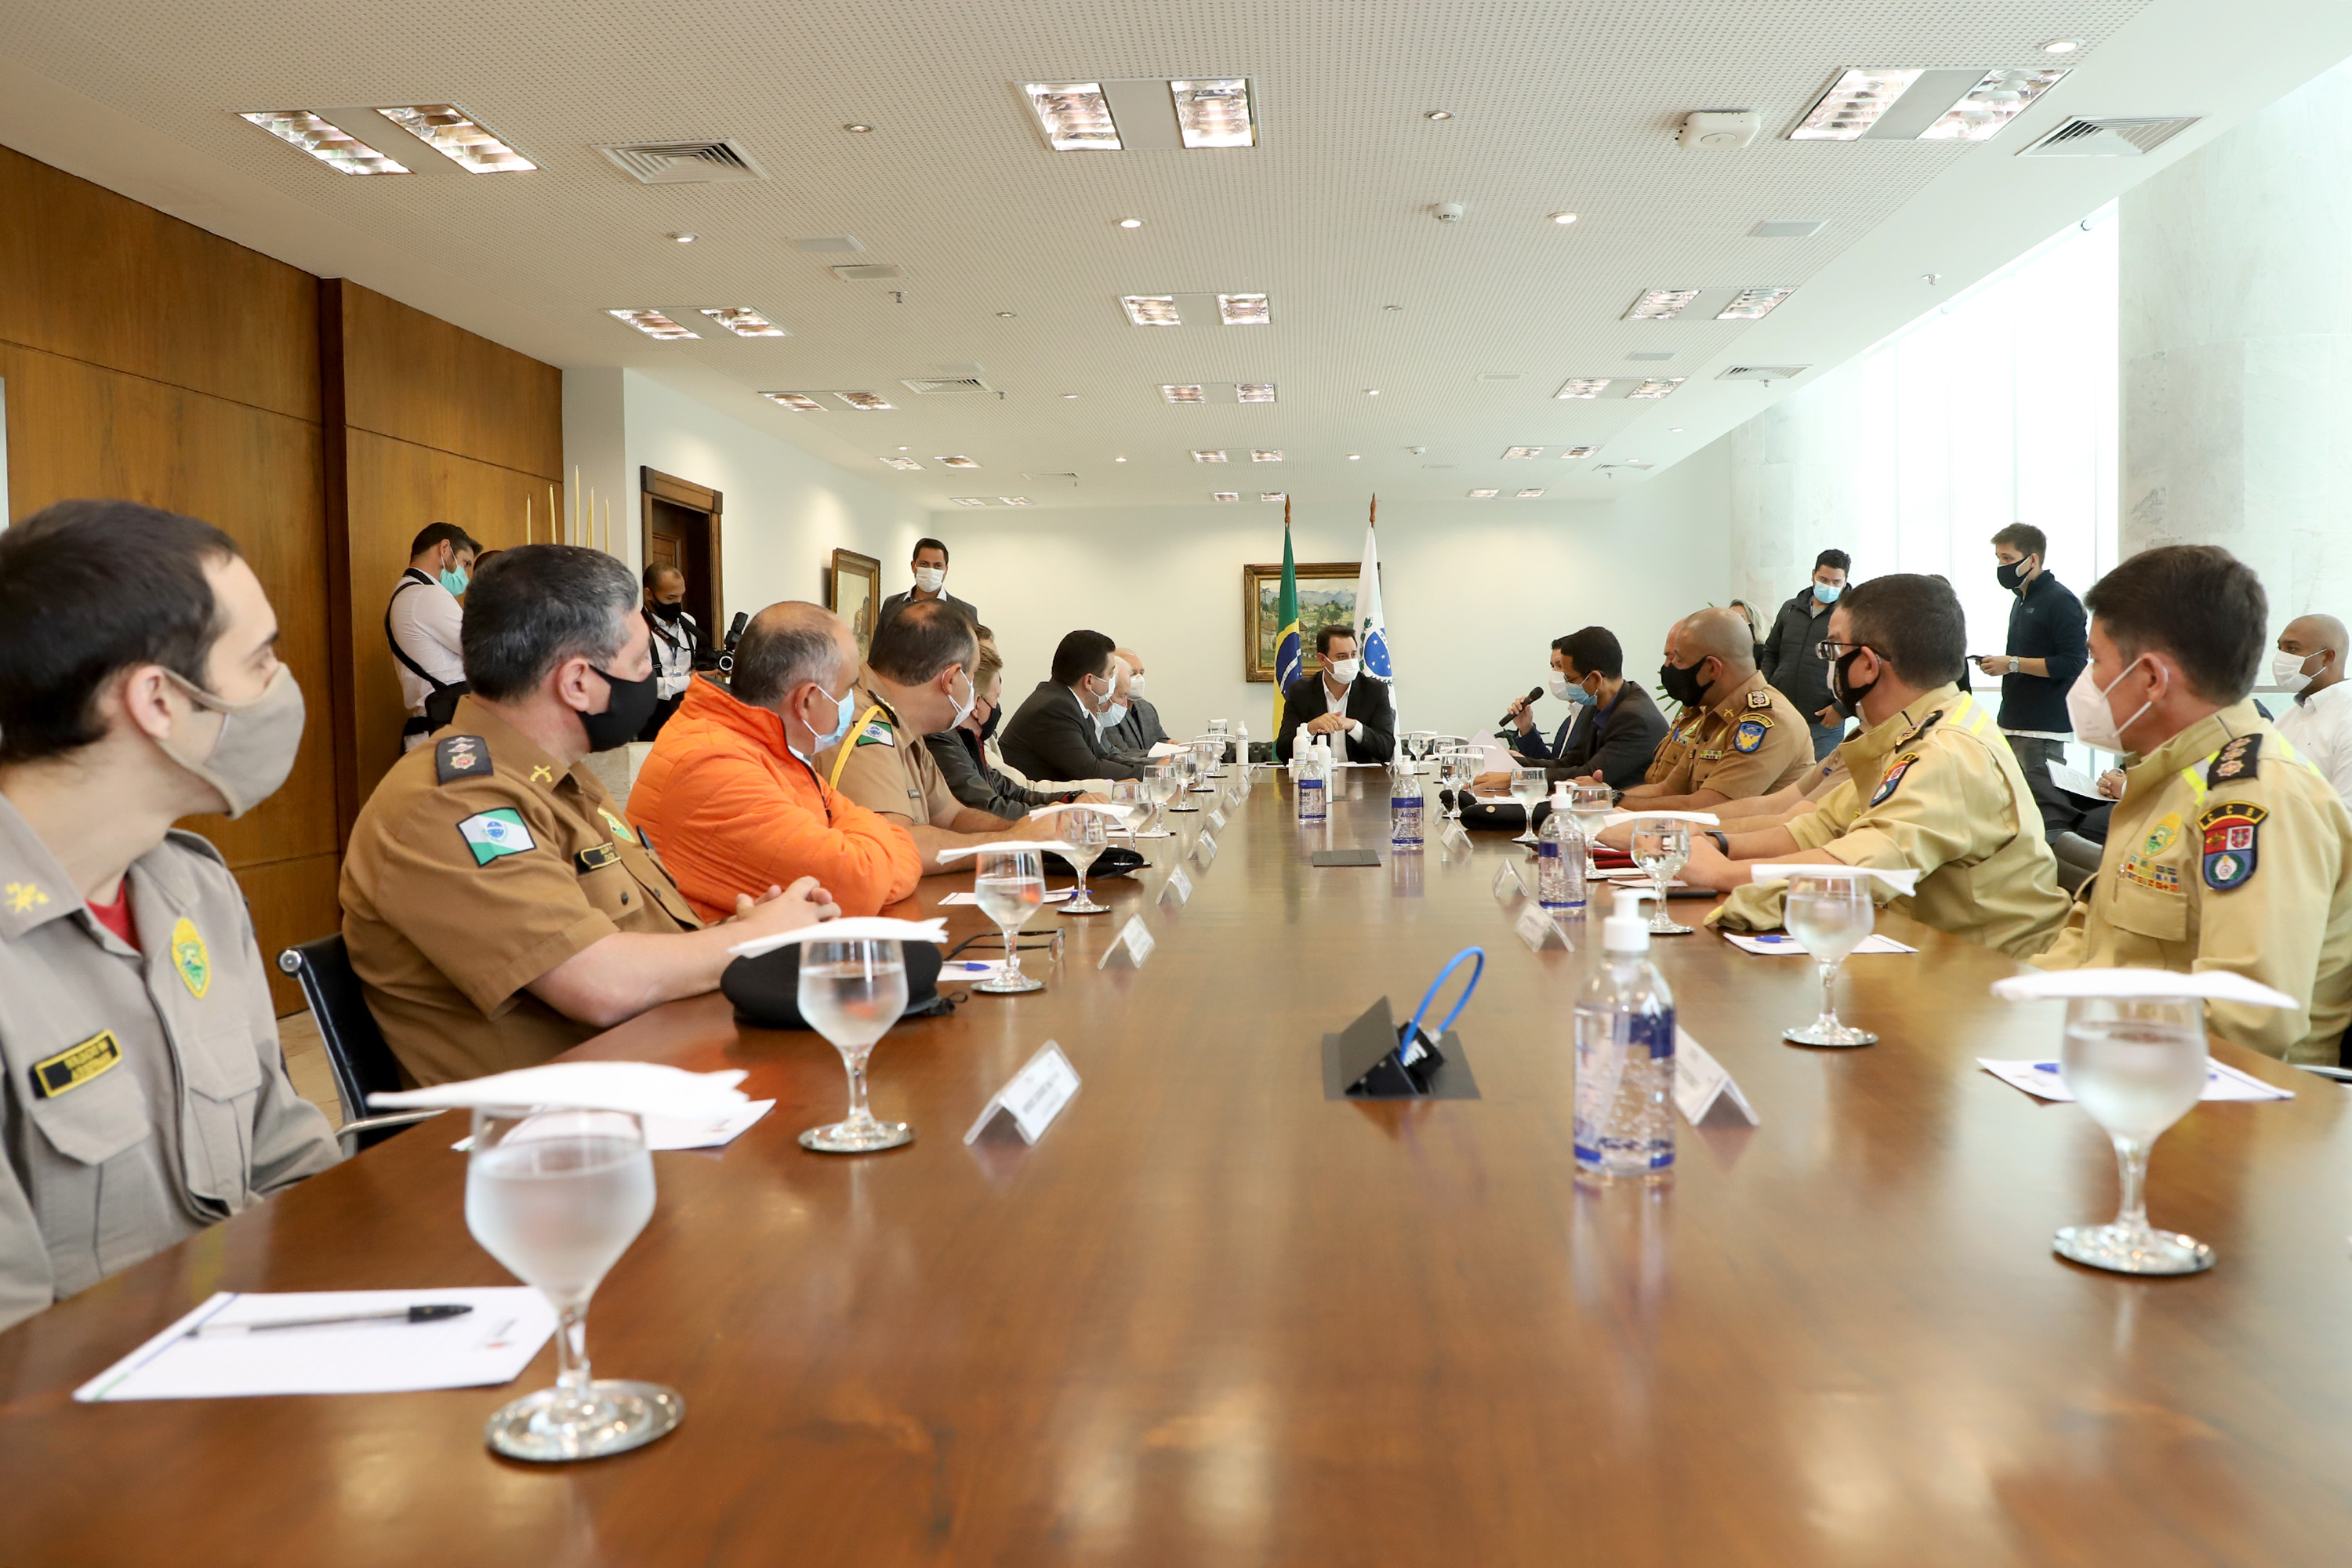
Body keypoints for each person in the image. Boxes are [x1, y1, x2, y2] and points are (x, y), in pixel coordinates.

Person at [0, 499, 339, 1331]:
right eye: (260, 660)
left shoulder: (195, 891)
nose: (280, 687)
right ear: (158, 698)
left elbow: (292, 1167)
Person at [342, 545, 837, 1087]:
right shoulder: (451, 802)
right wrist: (752, 939)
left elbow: (633, 936)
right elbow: (599, 984)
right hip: (554, 1124)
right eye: (641, 662)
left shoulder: (565, 781)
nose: (652, 678)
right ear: (578, 682)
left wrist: (740, 928)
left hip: (661, 1074)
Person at [2035, 545, 2352, 1064]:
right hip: (2121, 1064)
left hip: (2219, 1095)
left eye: (2096, 660)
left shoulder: (2259, 799)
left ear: (2152, 678)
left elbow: (2242, 1021)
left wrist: (2077, 1023)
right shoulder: (2172, 778)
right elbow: (2093, 947)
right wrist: (2012, 1005)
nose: (2086, 680)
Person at [1681, 574, 2070, 960]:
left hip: (1989, 974)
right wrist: (1716, 845)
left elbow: (1861, 867)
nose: (1829, 663)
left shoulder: (1946, 750)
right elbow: (1819, 828)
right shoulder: (1910, 729)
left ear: (1867, 665)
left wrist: (1720, 873)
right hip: (1929, 952)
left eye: (1833, 649)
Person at [626, 604, 924, 920]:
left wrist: (864, 849)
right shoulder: (714, 764)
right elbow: (859, 886)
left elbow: (896, 852)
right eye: (848, 689)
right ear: (807, 700)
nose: (851, 701)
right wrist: (867, 844)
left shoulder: (768, 745)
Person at [817, 599, 1033, 873]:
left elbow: (953, 817)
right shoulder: (864, 723)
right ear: (951, 679)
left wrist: (1028, 830)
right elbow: (894, 845)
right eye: (972, 675)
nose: (973, 691)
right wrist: (1015, 843)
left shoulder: (905, 722)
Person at [1614, 608, 1812, 811]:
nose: (1671, 667)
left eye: (1679, 660)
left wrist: (1614, 804)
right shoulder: (1712, 712)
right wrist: (1608, 798)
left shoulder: (1767, 722)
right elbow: (1668, 789)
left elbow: (1708, 808)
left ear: (1712, 668)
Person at [1973, 524, 2089, 838]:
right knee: (2015, 815)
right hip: (2014, 721)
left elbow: (2074, 662)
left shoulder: (2060, 600)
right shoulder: (2021, 599)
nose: (2002, 566)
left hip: (2042, 729)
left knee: (2045, 818)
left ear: (2033, 559)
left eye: (2008, 558)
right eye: (1999, 558)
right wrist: (2004, 664)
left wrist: (2012, 663)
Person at [1487, 626, 1668, 790]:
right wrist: (1510, 762)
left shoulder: (1635, 719)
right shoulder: (1595, 706)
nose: (1566, 684)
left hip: (1625, 811)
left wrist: (1518, 777)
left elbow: (1587, 775)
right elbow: (1568, 763)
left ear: (1596, 679)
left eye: (1570, 679)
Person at [928, 644, 1087, 819]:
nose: (997, 706)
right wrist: (1061, 813)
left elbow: (1015, 793)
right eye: (996, 697)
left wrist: (1071, 799)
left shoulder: (968, 741)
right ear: (977, 704)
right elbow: (990, 808)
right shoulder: (943, 742)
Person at [1001, 630, 1149, 783]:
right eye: (1110, 675)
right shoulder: (1055, 708)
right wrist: (1149, 775)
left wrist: (1154, 769)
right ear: (1089, 681)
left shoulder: (1071, 703)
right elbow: (1090, 770)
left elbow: (1103, 756)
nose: (1111, 681)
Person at [387, 521, 478, 750]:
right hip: (444, 735)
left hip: (436, 729)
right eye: (465, 564)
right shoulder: (428, 595)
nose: (466, 577)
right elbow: (480, 649)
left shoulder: (408, 592)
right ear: (444, 549)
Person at [1759, 549, 1853, 760]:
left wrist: (1842, 708)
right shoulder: (1790, 608)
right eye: (1824, 580)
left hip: (1823, 722)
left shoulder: (1852, 616)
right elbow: (1771, 651)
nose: (1829, 586)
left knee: (1817, 779)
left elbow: (1861, 666)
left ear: (1845, 581)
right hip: (1781, 715)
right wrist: (1768, 688)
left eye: (1836, 582)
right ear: (1813, 575)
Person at [1275, 626, 1396, 764]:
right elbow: (1282, 751)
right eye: (1342, 657)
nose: (1350, 661)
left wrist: (1354, 726)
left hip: (1361, 775)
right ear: (1322, 659)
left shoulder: (1374, 690)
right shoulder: (1301, 692)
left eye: (1353, 654)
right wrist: (1309, 729)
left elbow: (1386, 749)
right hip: (1316, 773)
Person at [2273, 613, 2352, 806]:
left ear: (2328, 657)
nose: (2281, 657)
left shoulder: (2347, 717)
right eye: (2280, 648)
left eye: (2292, 648)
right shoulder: (2283, 720)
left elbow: (2345, 812)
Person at [641, 562, 700, 740]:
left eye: (680, 597)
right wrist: (688, 681)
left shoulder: (689, 623)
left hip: (689, 716)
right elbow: (642, 688)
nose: (677, 604)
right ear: (648, 594)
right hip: (653, 723)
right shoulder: (634, 630)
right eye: (670, 598)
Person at [877, 537, 979, 630]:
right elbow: (879, 643)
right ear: (913, 566)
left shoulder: (966, 612)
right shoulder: (892, 605)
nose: (931, 570)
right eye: (924, 564)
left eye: (937, 566)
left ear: (946, 570)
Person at [1105, 645, 1171, 752]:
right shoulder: (1107, 710)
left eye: (1142, 673)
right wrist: (1161, 756)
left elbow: (1160, 740)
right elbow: (1120, 753)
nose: (1140, 679)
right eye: (1133, 674)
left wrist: (1173, 746)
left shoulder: (1147, 708)